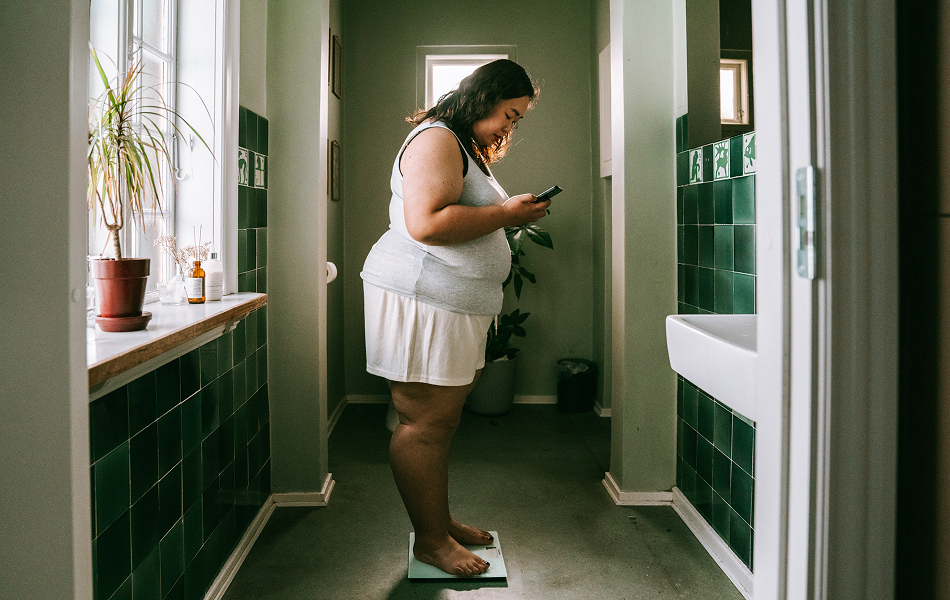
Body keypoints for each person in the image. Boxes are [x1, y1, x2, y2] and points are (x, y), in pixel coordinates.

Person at [360, 59, 549, 577]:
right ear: (485, 97)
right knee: (423, 421)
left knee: (439, 422)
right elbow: (425, 223)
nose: (510, 127)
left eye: (517, 121)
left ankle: (438, 522)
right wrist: (508, 214)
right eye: (508, 115)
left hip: (447, 303)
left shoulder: (461, 143)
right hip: (419, 296)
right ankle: (430, 542)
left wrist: (507, 212)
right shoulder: (437, 139)